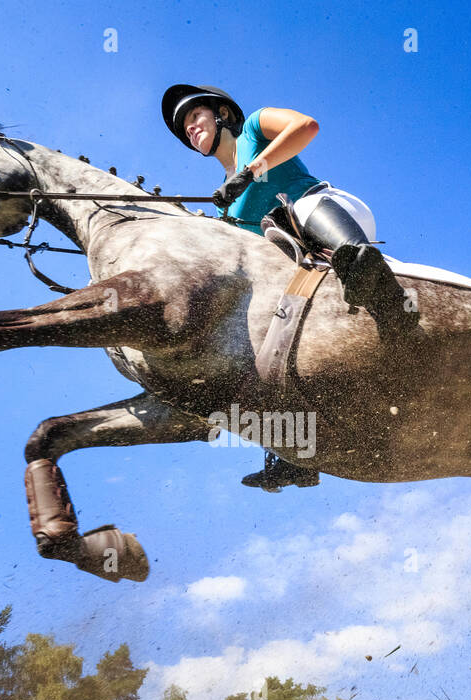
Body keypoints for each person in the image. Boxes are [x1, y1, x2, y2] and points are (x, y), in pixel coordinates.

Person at [161, 84, 407, 491]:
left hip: (323, 211)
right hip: (298, 262)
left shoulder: (255, 127)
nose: (190, 129)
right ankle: (293, 452)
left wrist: (250, 173)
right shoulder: (224, 204)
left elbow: (306, 126)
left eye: (195, 118)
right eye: (185, 129)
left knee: (299, 207)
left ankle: (385, 292)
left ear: (222, 113)